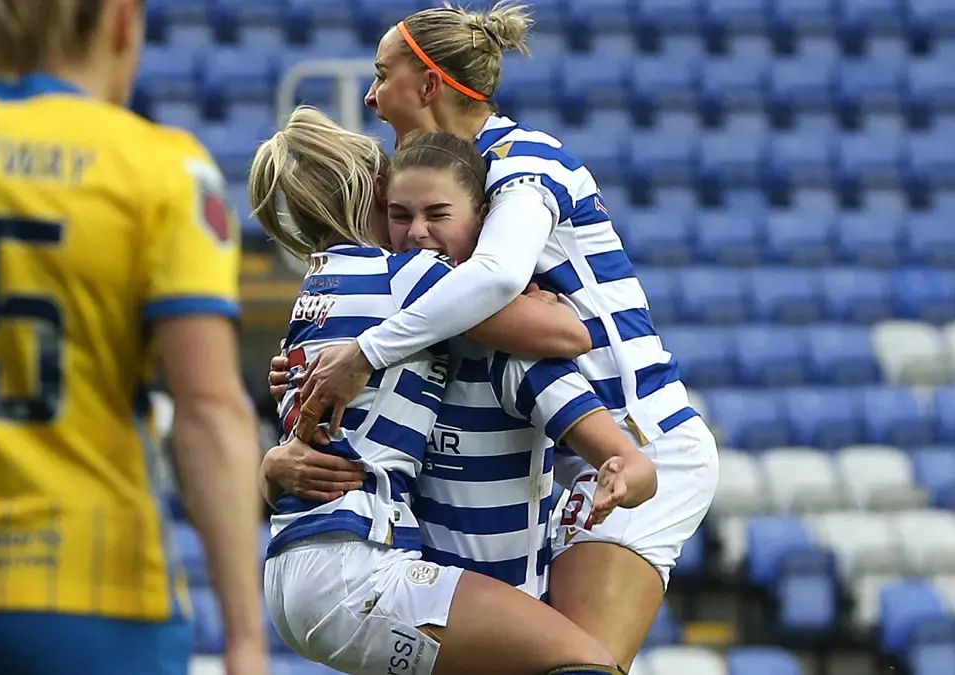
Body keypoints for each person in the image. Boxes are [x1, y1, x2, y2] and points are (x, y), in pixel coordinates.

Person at [283, 1, 721, 668]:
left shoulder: (523, 158)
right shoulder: (439, 185)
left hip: (631, 437)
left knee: (575, 664)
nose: (370, 96)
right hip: (556, 447)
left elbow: (500, 276)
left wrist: (363, 353)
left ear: (430, 85)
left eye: (381, 75)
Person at [0, 1, 267, 674]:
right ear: (122, 21)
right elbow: (209, 410)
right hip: (90, 590)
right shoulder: (157, 168)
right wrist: (246, 637)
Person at [251, 106, 639, 675]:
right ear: (374, 197)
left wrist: (270, 468)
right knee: (585, 662)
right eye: (400, 211)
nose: (416, 232)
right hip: (355, 567)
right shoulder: (404, 275)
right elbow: (568, 332)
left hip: (294, 569)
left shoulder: (313, 294)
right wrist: (537, 300)